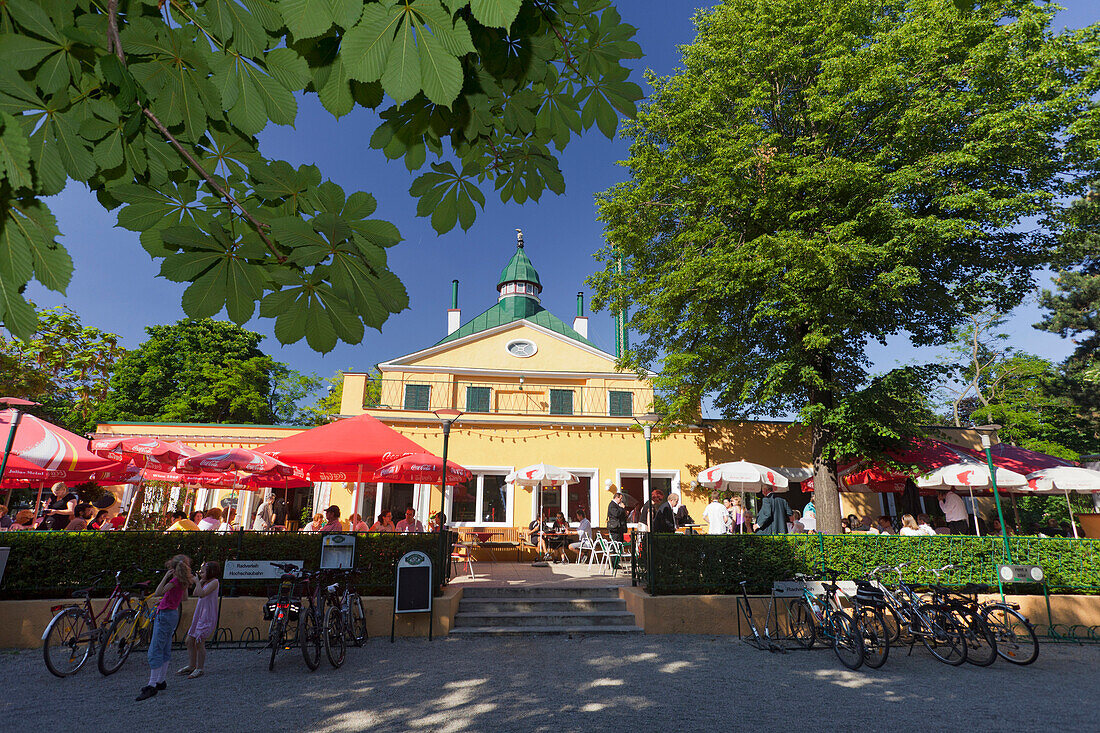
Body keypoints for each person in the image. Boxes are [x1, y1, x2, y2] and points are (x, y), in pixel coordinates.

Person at [137, 554, 191, 701]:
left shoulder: (173, 581)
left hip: (165, 615)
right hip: (173, 614)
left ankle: (152, 684)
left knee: (155, 649)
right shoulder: (183, 581)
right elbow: (184, 598)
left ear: (172, 569)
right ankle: (160, 680)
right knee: (165, 647)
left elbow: (159, 591)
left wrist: (165, 577)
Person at [179, 561, 220, 680]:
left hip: (207, 615)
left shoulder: (215, 582)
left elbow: (202, 594)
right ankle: (192, 665)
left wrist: (197, 582)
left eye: (203, 572)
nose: (200, 573)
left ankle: (200, 668)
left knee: (199, 642)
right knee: (189, 640)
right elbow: (196, 593)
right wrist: (200, 582)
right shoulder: (205, 582)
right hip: (200, 614)